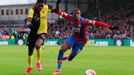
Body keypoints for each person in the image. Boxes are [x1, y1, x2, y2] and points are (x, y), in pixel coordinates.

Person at [53, 8, 116, 74]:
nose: (77, 15)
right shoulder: (70, 17)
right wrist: (53, 10)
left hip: (81, 41)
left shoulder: (84, 21)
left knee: (70, 59)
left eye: (78, 14)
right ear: (73, 14)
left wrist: (109, 27)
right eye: (75, 14)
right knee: (62, 49)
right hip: (73, 37)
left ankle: (67, 56)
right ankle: (58, 69)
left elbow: (98, 23)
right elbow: (61, 13)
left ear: (80, 14)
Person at [25, 0, 60, 74]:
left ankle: (38, 62)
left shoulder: (46, 7)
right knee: (30, 52)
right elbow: (29, 19)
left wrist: (57, 4)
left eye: (42, 5)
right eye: (39, 5)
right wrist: (29, 24)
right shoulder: (32, 9)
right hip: (33, 33)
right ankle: (30, 66)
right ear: (36, 4)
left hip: (43, 32)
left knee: (37, 45)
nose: (40, 7)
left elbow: (56, 10)